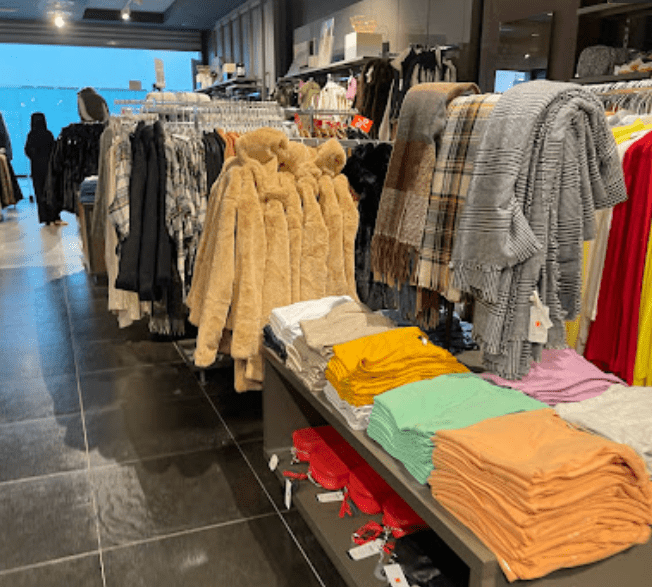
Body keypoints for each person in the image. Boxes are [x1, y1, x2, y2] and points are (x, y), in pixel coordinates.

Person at [25, 112, 65, 226]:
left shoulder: (31, 135)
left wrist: (35, 158)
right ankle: (55, 217)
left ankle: (45, 218)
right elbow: (54, 150)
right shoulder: (48, 134)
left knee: (40, 192)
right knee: (52, 191)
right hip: (49, 167)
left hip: (36, 168)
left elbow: (28, 151)